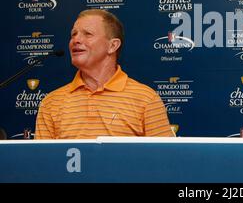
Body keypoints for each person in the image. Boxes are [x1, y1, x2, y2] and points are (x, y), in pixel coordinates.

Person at [35, 9, 174, 139]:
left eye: (87, 34)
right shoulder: (51, 103)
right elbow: (41, 161)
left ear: (112, 46)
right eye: (73, 34)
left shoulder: (146, 99)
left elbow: (164, 159)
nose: (76, 40)